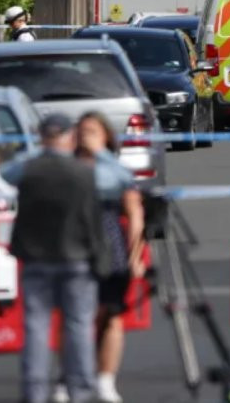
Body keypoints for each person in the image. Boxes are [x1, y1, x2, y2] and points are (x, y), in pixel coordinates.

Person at [6, 113, 108, 403]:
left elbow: (0, 175)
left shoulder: (28, 169)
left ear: (41, 136)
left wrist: (35, 153)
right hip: (76, 257)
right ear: (70, 135)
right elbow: (97, 211)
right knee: (78, 325)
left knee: (36, 326)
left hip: (36, 257)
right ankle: (81, 390)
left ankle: (34, 391)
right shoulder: (84, 171)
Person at [68, 113, 145, 403]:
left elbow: (134, 212)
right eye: (81, 131)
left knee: (111, 315)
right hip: (73, 247)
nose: (85, 136)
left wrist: (135, 255)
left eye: (92, 131)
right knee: (76, 317)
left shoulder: (116, 170)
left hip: (110, 246)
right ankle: (71, 378)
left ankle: (105, 379)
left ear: (106, 137)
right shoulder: (67, 166)